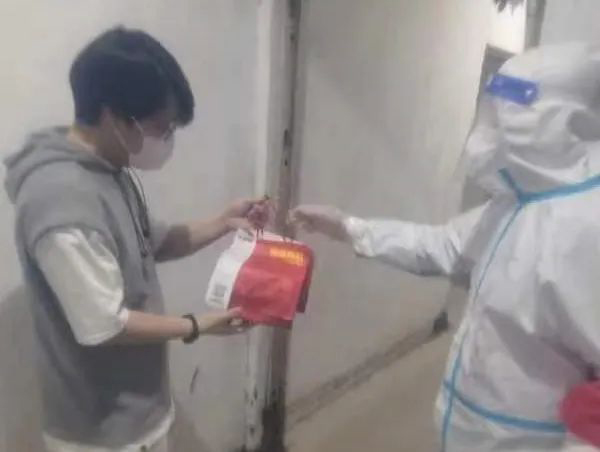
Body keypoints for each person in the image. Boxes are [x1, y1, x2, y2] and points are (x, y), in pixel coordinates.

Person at [290, 42, 600, 451]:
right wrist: (347, 227)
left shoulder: (587, 224)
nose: (490, 135)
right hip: (472, 426)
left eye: (507, 119)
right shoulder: (516, 204)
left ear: (562, 121)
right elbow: (439, 246)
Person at [4, 27, 266, 452]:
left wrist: (224, 221)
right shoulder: (61, 201)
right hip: (102, 432)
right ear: (115, 118)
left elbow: (154, 242)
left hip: (140, 407)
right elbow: (106, 325)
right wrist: (197, 325)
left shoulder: (110, 168)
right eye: (162, 128)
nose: (167, 140)